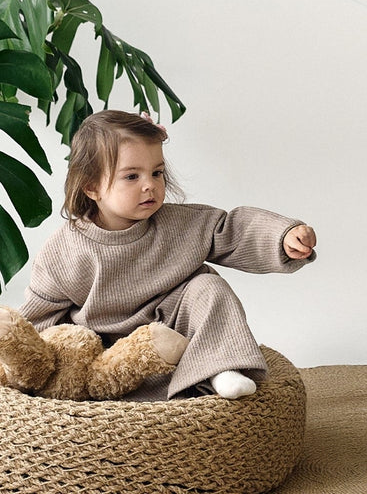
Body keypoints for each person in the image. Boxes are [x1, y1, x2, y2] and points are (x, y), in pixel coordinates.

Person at [16, 110, 317, 399]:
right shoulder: (65, 250)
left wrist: (282, 237)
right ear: (92, 187)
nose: (150, 185)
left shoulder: (176, 224)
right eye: (132, 176)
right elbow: (39, 316)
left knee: (207, 287)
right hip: (109, 361)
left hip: (177, 350)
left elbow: (230, 230)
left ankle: (220, 369)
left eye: (156, 172)